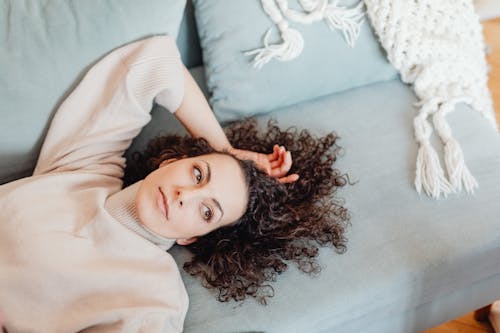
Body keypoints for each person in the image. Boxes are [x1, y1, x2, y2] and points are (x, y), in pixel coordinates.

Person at [0, 35, 349, 332]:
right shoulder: (83, 166)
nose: (186, 195)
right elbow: (157, 62)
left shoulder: (154, 295)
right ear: (171, 161)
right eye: (198, 174)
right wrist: (223, 148)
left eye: (207, 210)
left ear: (191, 237)